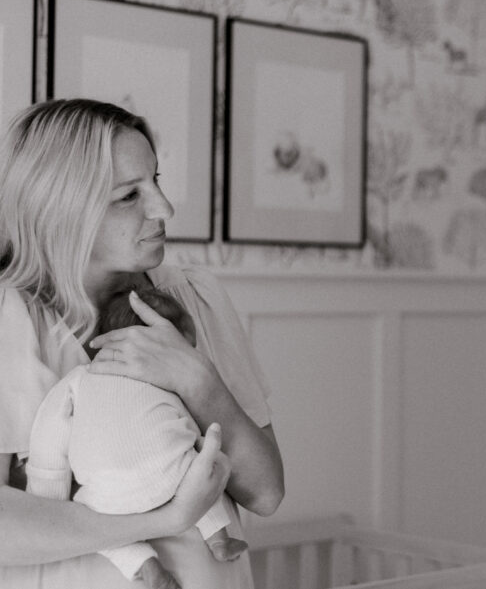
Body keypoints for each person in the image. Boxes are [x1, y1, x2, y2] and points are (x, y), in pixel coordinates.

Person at [0, 98, 285, 589]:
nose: (164, 209)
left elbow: (266, 492)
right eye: (129, 195)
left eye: (156, 181)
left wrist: (197, 379)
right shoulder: (12, 321)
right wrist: (164, 521)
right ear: (62, 207)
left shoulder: (192, 296)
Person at [27, 287, 250, 589]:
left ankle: (145, 565)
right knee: (199, 467)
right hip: (170, 480)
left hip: (106, 497)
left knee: (94, 527)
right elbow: (189, 428)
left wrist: (47, 493)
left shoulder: (80, 378)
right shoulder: (169, 382)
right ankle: (218, 538)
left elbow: (50, 434)